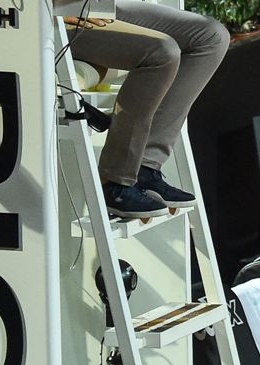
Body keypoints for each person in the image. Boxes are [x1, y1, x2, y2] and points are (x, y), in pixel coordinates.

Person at [63, 2, 229, 219]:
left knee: (212, 36)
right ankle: (114, 180)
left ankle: (144, 165)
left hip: (97, 4)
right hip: (45, 15)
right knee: (162, 52)